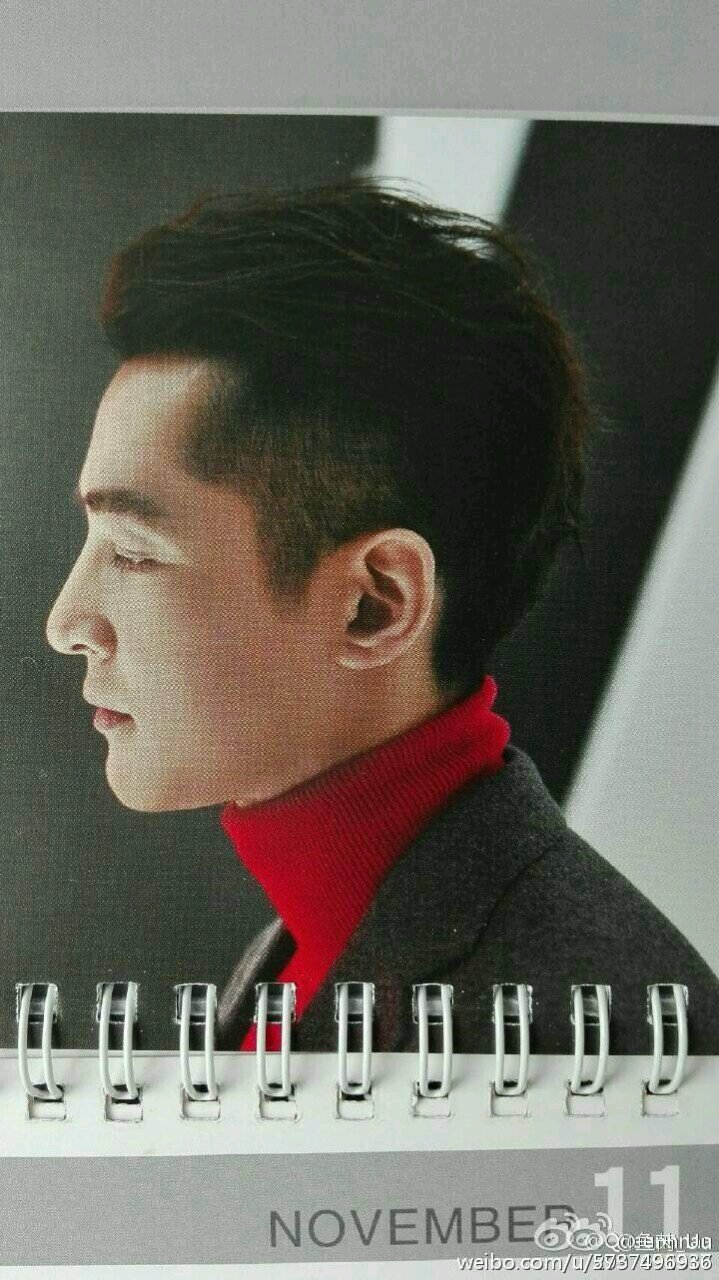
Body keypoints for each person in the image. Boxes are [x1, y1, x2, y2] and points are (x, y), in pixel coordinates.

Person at [45, 179, 719, 1057]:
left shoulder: (587, 1028)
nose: (67, 621)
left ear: (375, 606)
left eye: (134, 552)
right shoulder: (317, 939)